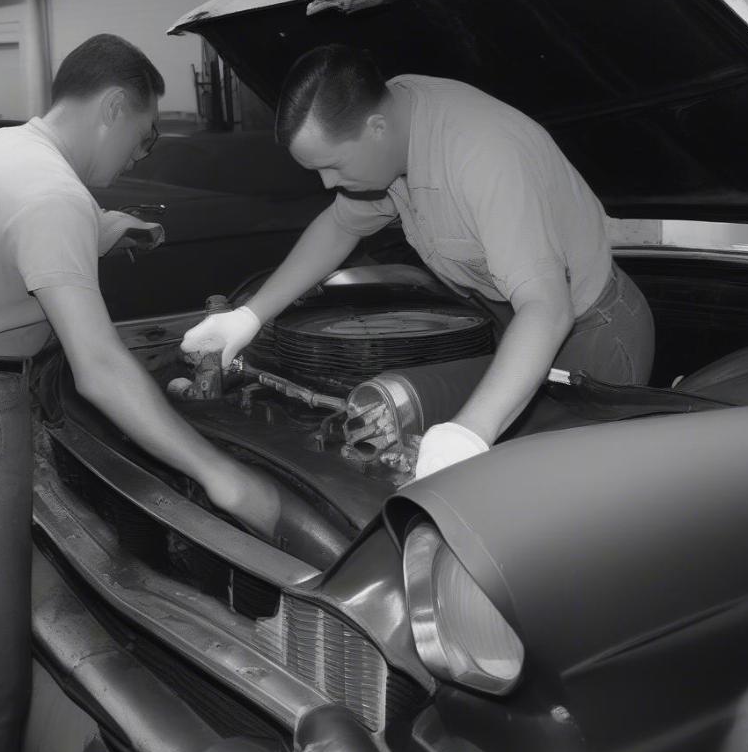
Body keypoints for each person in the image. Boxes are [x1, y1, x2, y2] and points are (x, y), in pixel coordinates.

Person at [0, 33, 325, 752]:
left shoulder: (12, 150)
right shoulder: (48, 194)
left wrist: (108, 227)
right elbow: (101, 369)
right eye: (143, 136)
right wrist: (222, 474)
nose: (137, 153)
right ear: (114, 107)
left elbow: (27, 232)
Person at [181, 44, 655, 481]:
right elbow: (341, 225)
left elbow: (547, 309)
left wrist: (471, 432)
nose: (328, 183)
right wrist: (248, 316)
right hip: (517, 327)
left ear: (376, 129)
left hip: (592, 336)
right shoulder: (396, 122)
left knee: (558, 492)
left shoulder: (482, 157)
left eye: (335, 165)